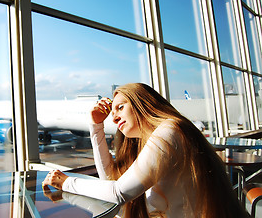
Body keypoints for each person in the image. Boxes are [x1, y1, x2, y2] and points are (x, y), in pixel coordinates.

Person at [42, 83, 249, 218]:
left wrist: (67, 182)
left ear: (143, 104)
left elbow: (117, 192)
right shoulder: (155, 137)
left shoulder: (170, 130)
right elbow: (110, 182)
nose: (113, 117)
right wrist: (96, 126)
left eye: (120, 107)